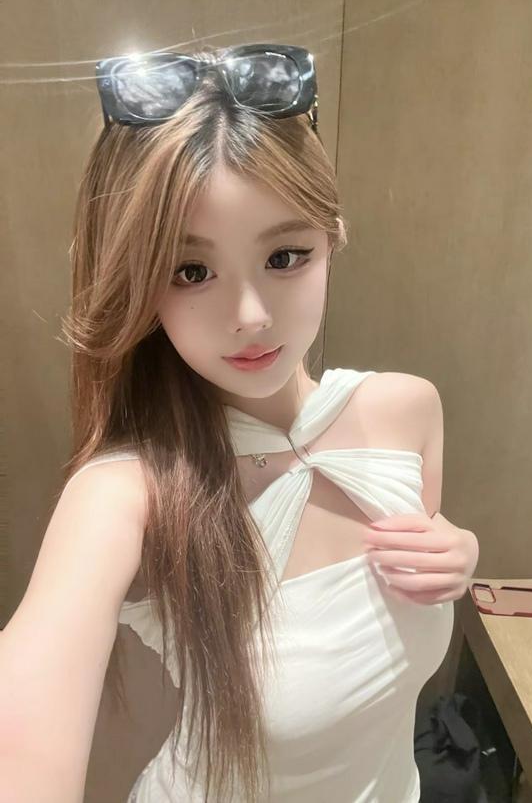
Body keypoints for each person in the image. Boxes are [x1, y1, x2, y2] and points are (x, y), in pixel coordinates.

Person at [0, 43, 478, 802]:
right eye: (190, 271)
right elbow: (24, 719)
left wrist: (458, 549)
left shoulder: (406, 409)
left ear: (333, 236)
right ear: (140, 285)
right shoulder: (127, 495)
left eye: (285, 256)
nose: (250, 316)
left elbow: (413, 550)